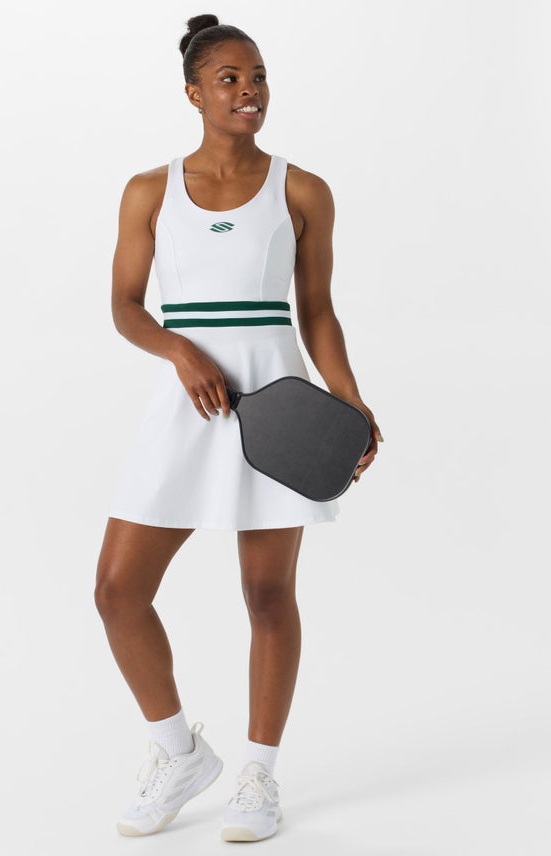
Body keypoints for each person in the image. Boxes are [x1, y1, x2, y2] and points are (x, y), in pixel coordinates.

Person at [94, 12, 383, 843]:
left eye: (257, 76)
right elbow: (125, 307)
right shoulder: (149, 190)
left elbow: (317, 310)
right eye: (230, 78)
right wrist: (180, 351)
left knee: (266, 593)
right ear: (194, 93)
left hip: (280, 405)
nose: (249, 90)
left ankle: (258, 774)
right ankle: (177, 753)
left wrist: (349, 400)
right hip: (188, 405)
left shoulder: (302, 190)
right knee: (117, 590)